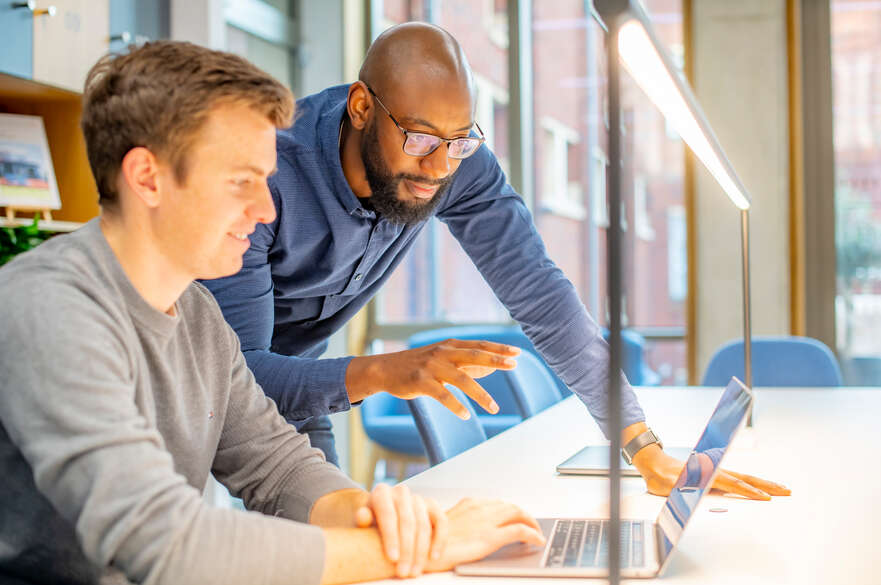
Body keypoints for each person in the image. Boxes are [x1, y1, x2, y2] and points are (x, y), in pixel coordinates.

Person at [0, 41, 544, 585]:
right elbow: (169, 545)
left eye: (266, 179)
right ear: (147, 178)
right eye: (241, 182)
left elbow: (276, 467)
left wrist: (383, 523)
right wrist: (432, 550)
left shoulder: (198, 316)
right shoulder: (50, 309)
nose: (265, 210)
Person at [204, 22, 790, 501]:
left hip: (300, 384)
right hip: (190, 378)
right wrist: (384, 371)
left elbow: (541, 293)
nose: (437, 167)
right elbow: (239, 377)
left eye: (459, 141)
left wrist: (642, 445)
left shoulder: (454, 165)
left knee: (342, 547)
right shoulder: (266, 178)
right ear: (361, 107)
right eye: (420, 138)